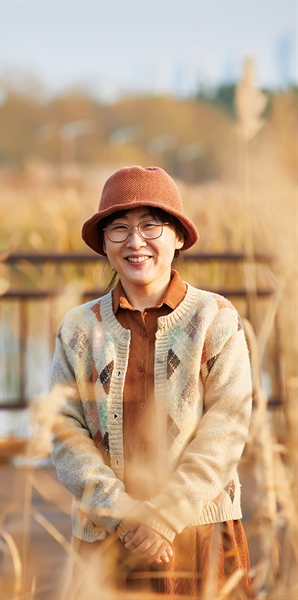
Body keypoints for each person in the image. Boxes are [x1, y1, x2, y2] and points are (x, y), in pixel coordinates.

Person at [50, 166, 252, 597]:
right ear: (104, 244)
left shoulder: (215, 318)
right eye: (118, 229)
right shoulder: (79, 328)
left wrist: (163, 517)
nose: (135, 242)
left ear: (178, 235)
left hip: (200, 536)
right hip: (106, 541)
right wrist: (123, 515)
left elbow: (226, 430)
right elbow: (63, 432)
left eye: (150, 225)